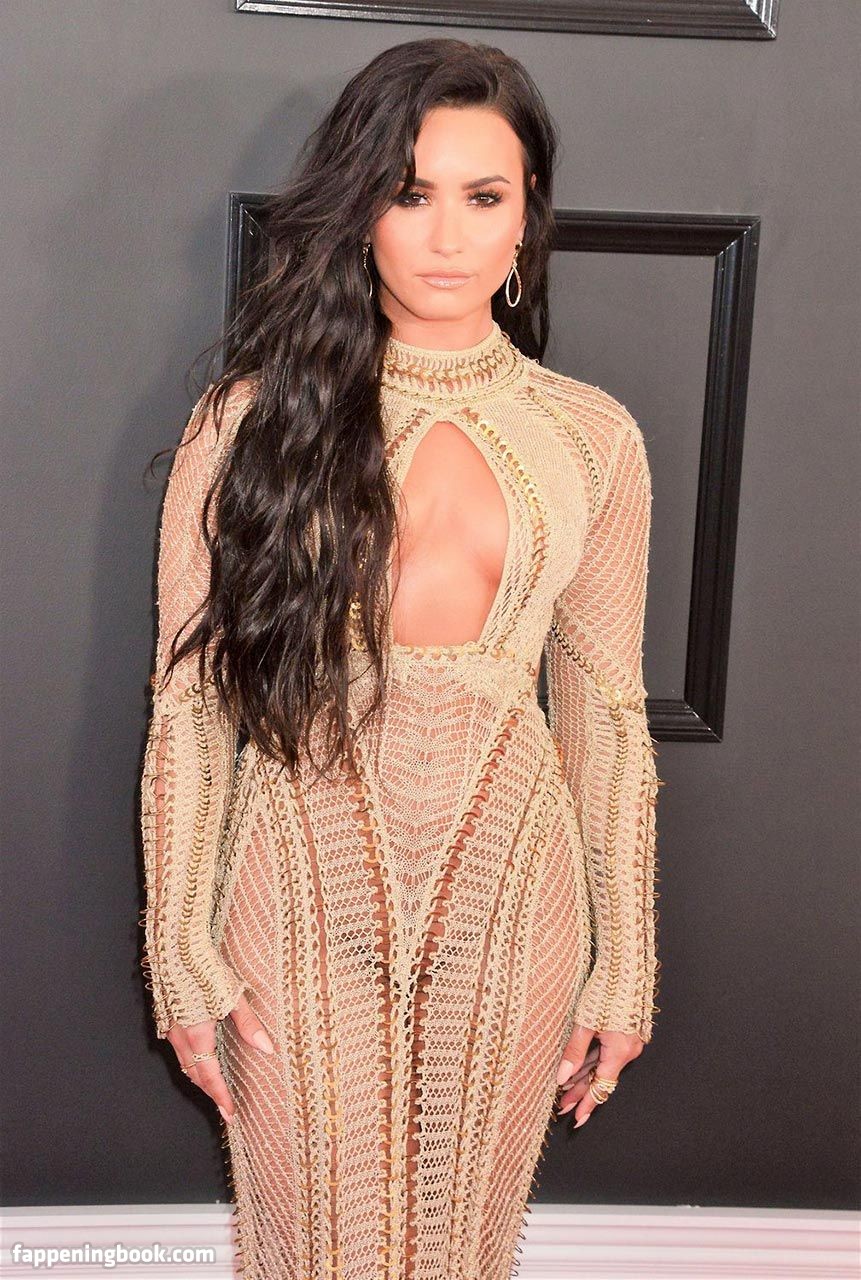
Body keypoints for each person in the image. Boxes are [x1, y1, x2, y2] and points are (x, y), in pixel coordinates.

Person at [139, 36, 662, 1280]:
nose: (445, 236)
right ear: (361, 208)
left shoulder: (591, 438)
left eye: (483, 196)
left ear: (528, 218)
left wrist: (626, 965)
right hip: (293, 889)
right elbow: (190, 705)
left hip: (515, 892)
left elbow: (607, 713)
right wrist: (179, 951)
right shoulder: (249, 422)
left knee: (462, 1245)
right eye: (409, 193)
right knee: (312, 1243)